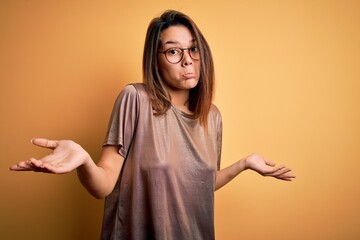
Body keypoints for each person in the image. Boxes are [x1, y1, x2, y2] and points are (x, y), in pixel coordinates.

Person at [10, 9, 295, 240]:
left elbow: (198, 185)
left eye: (194, 49)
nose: (187, 60)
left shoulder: (212, 116)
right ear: (156, 61)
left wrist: (244, 163)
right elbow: (104, 185)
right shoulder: (135, 99)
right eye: (174, 51)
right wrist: (84, 160)